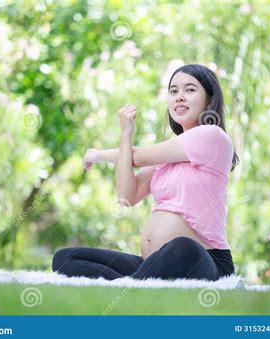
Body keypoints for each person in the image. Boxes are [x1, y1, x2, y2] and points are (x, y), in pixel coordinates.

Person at [52, 63, 240, 281]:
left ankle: (132, 286)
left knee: (182, 247)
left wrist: (101, 154)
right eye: (173, 91)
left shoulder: (212, 136)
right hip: (153, 263)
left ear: (209, 99)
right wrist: (125, 135)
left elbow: (138, 157)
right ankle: (131, 286)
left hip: (204, 260)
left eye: (190, 90)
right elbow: (127, 196)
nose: (179, 97)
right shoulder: (168, 153)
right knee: (65, 258)